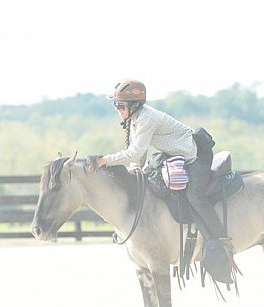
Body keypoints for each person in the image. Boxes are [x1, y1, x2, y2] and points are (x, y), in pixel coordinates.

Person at [94, 79, 226, 242]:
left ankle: (222, 238)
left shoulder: (146, 118)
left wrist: (106, 160)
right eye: (116, 106)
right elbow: (139, 153)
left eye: (121, 106)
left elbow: (135, 152)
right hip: (179, 157)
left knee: (195, 196)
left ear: (134, 105)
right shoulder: (136, 119)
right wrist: (135, 171)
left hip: (196, 157)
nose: (117, 110)